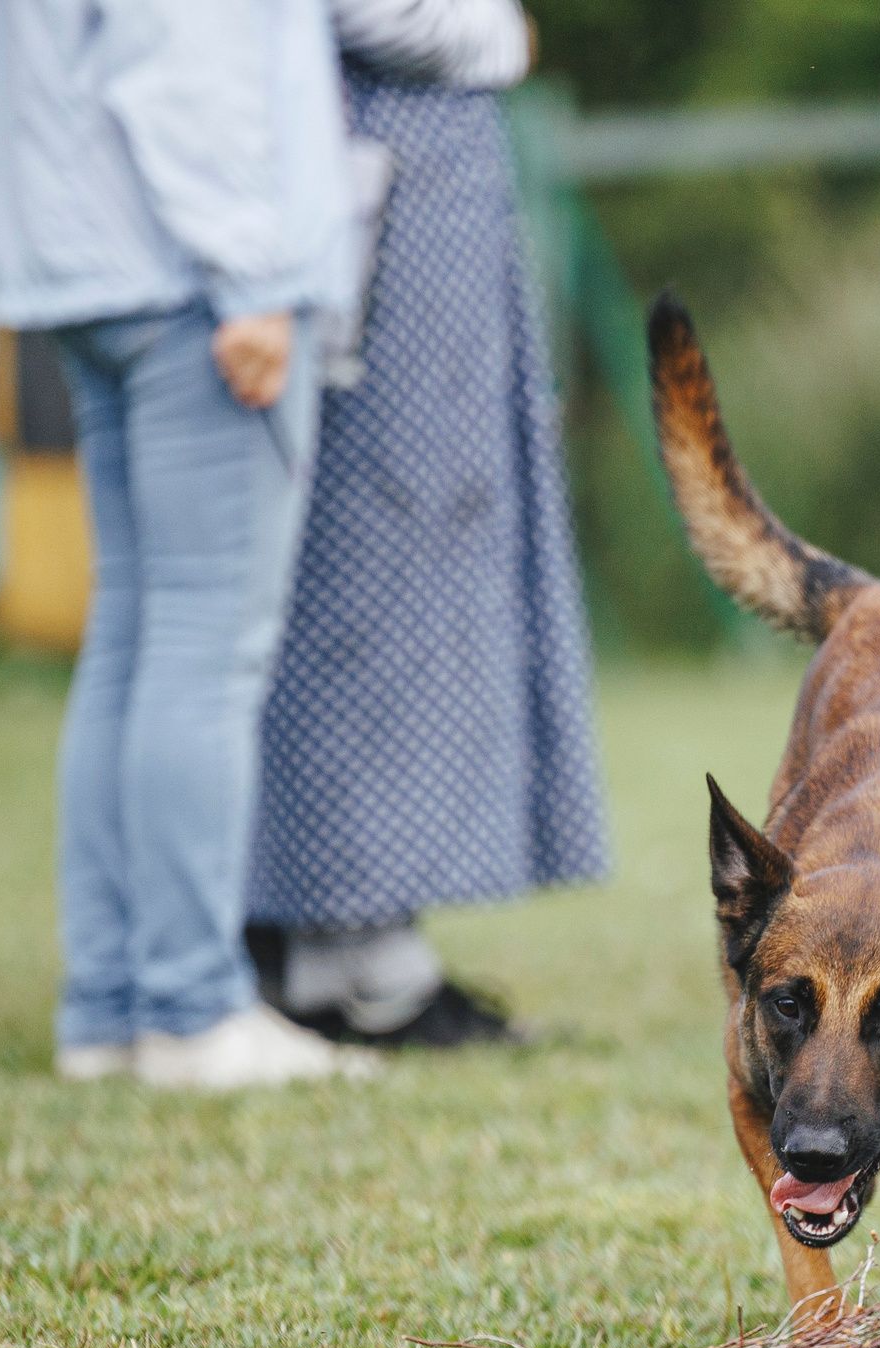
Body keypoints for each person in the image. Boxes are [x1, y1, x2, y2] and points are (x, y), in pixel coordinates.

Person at [0, 0, 378, 1086]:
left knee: (135, 634)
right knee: (207, 648)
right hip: (192, 278)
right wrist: (255, 277)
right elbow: (191, 62)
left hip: (92, 264)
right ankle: (191, 1006)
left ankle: (110, 1004)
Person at [243, 0, 611, 1047]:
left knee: (402, 546)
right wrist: (496, 37)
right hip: (385, 178)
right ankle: (352, 949)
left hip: (408, 182)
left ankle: (343, 932)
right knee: (382, 548)